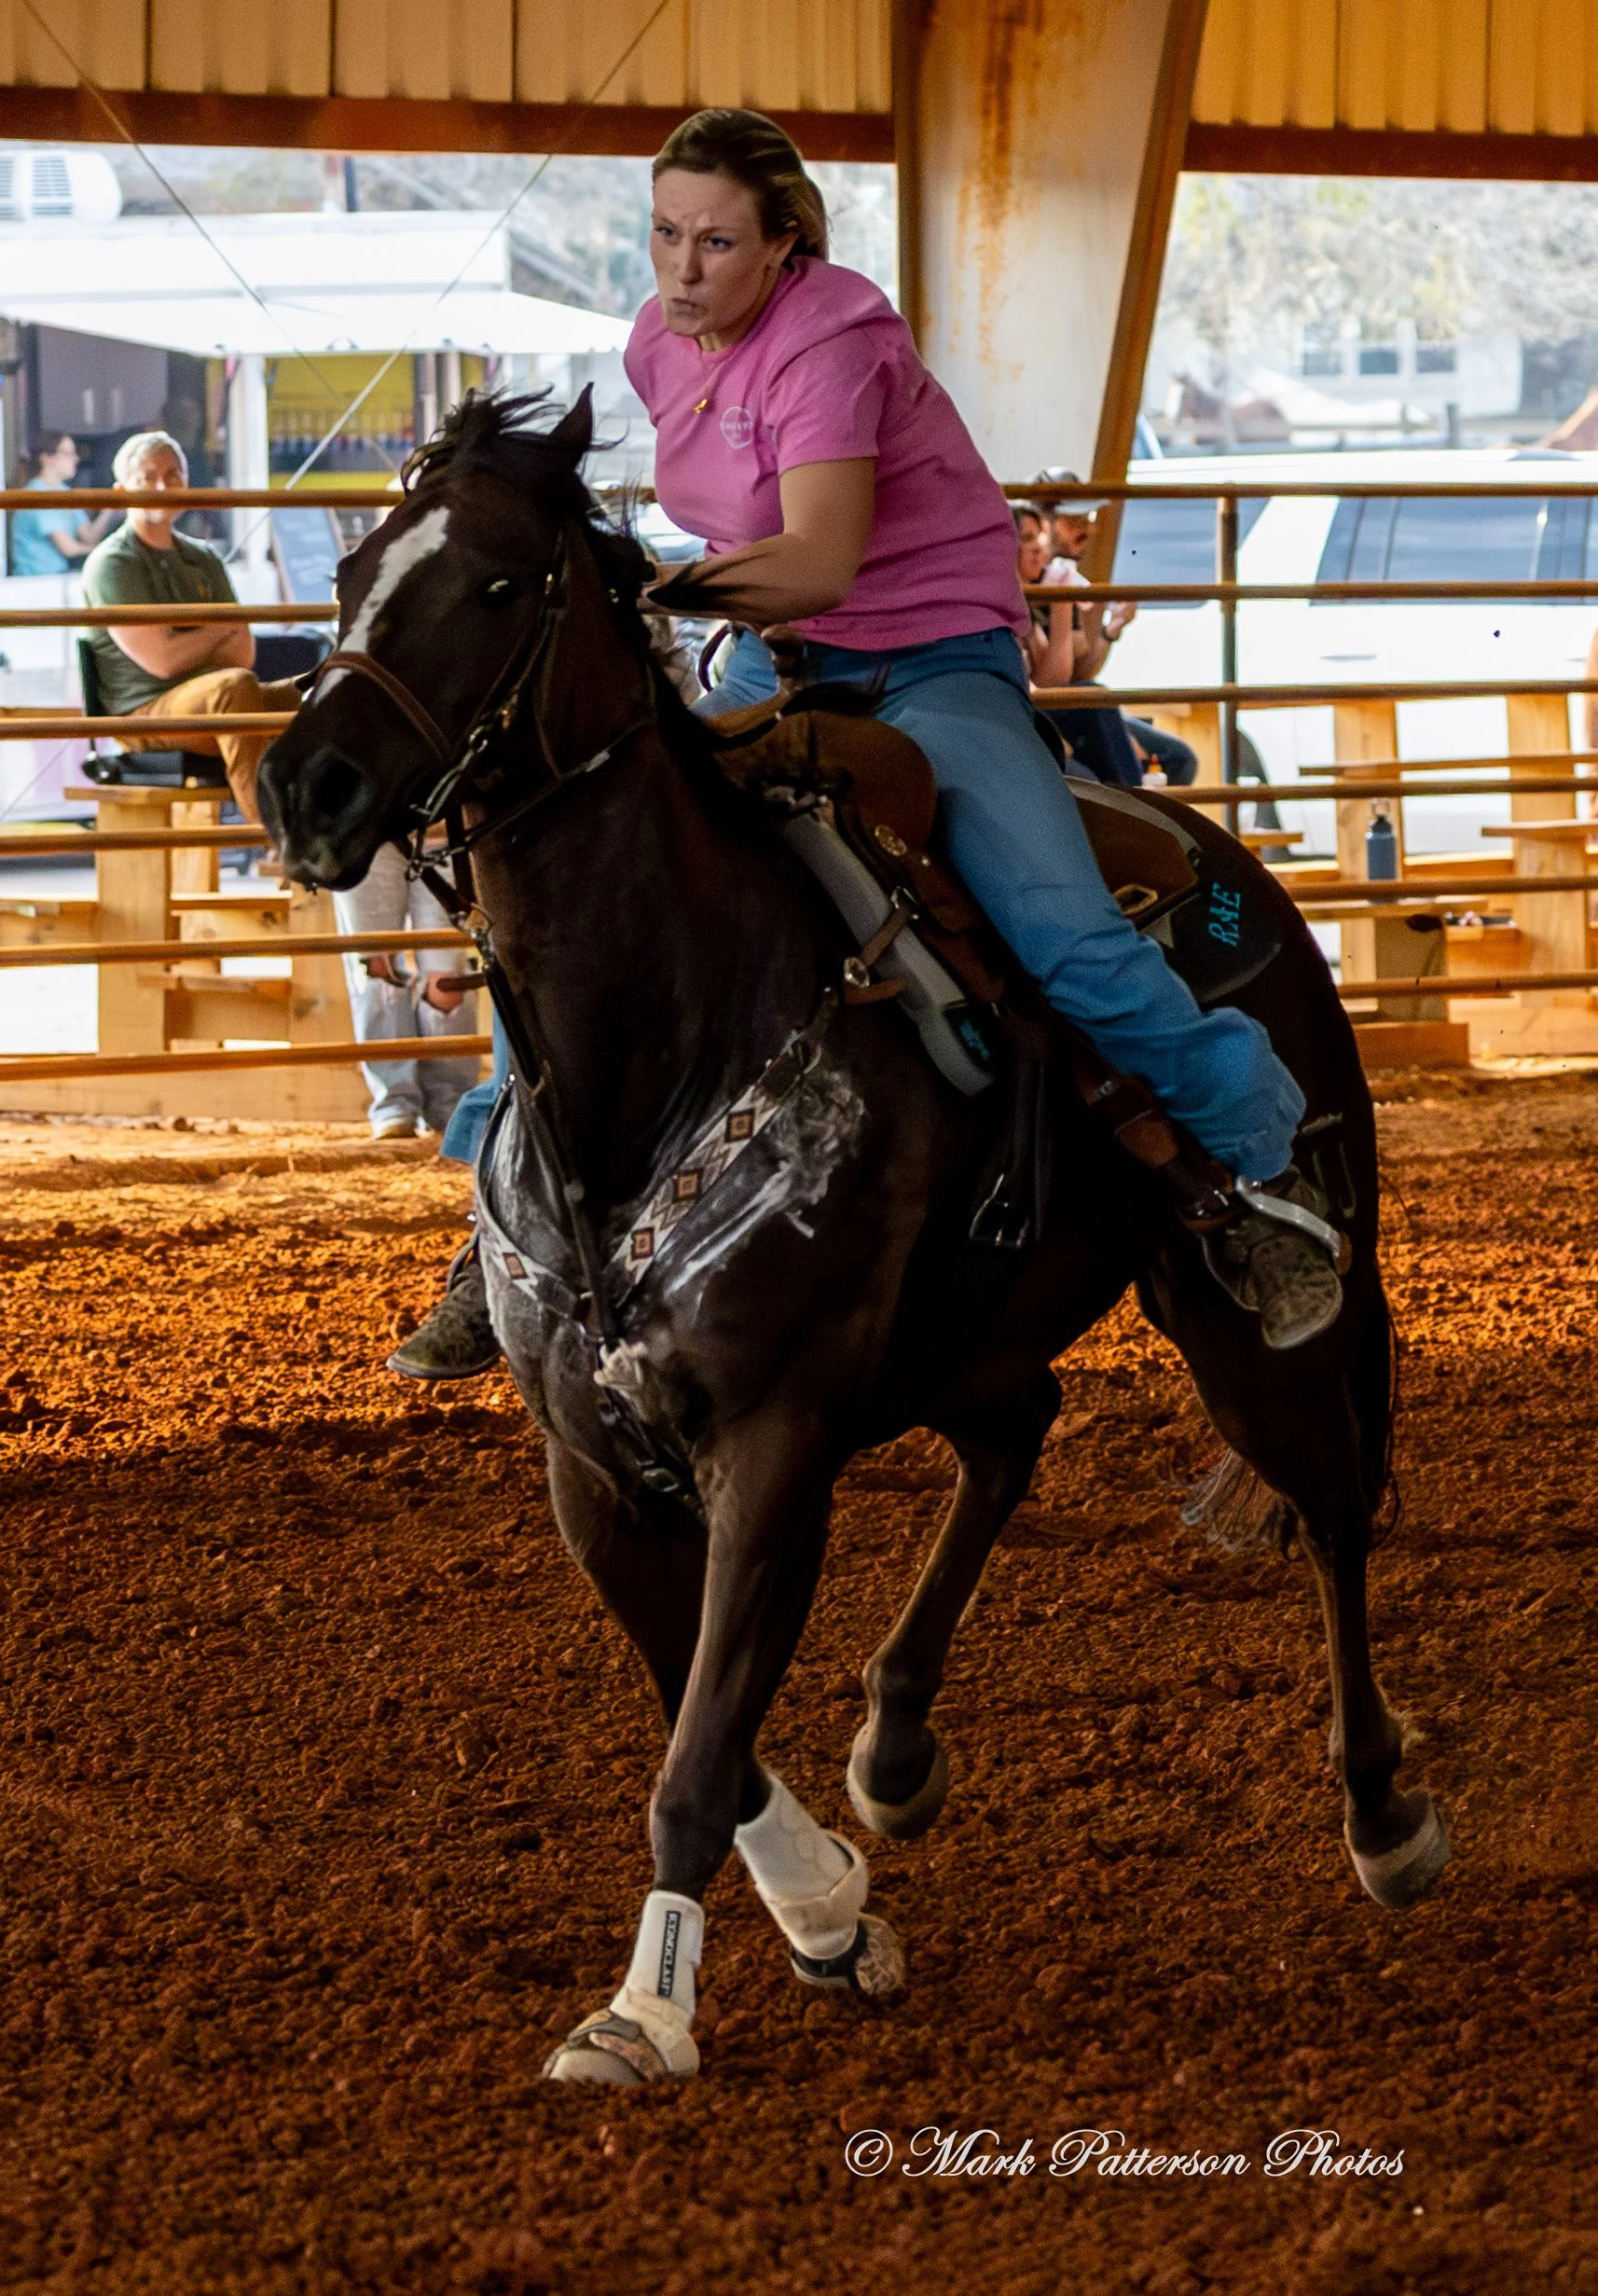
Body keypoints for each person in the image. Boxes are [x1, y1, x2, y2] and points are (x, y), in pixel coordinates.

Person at [393, 104, 1339, 1371]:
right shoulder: (652, 346)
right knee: (579, 882)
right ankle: (499, 1218)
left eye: (717, 241)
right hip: (776, 665)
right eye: (666, 233)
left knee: (1061, 931)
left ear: (785, 245)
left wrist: (645, 595)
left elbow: (818, 561)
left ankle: (1266, 1175)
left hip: (927, 660)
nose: (682, 266)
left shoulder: (831, 343)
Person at [80, 430, 301, 820]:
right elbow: (162, 662)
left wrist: (200, 638)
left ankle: (332, 831)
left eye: (174, 475)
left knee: (314, 695)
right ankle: (275, 837)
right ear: (121, 492)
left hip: (210, 704)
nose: (163, 486)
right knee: (233, 690)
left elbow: (243, 652)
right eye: (147, 478)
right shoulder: (113, 563)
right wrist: (217, 629)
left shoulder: (204, 558)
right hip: (144, 714)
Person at [1035, 477, 1200, 787]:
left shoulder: (1063, 578)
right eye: (1073, 521)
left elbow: (1079, 670)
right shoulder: (1032, 585)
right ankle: (1134, 817)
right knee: (1094, 701)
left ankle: (1138, 817)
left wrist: (1111, 630)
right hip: (1047, 709)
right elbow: (1052, 684)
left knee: (1179, 760)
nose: (1086, 530)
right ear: (1047, 524)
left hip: (1073, 704)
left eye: (1088, 519)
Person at [332, 843, 484, 1141]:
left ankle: (449, 1102)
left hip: (442, 831)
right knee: (375, 965)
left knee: (447, 973)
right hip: (368, 834)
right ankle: (394, 1105)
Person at [8, 434, 113, 574]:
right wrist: (107, 550)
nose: (75, 459)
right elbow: (68, 548)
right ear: (47, 458)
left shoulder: (66, 493)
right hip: (34, 582)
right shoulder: (36, 496)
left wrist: (110, 509)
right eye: (68, 453)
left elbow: (89, 535)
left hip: (57, 577)